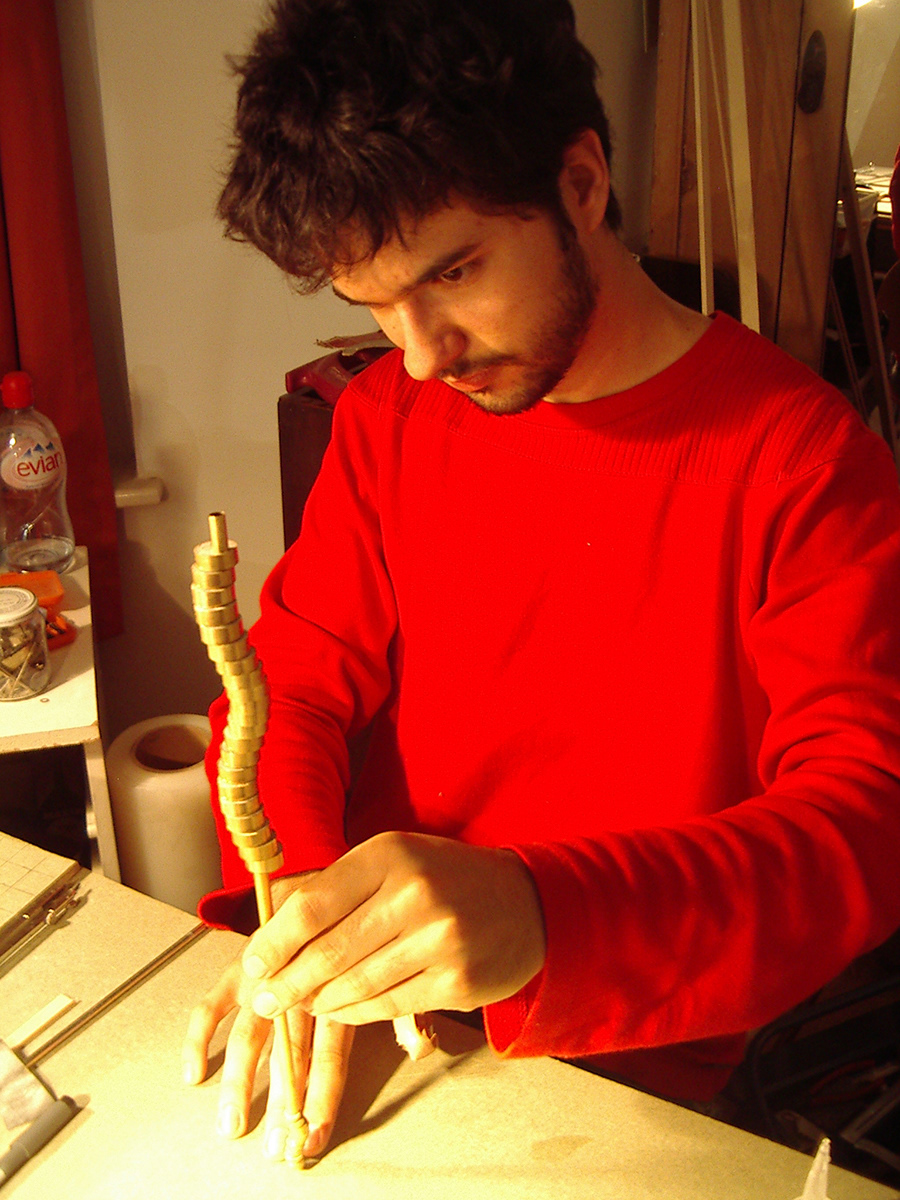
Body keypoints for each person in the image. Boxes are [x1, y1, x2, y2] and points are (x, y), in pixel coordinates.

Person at [181, 0, 900, 1165]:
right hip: (395, 1013)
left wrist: (541, 913)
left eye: (454, 272)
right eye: (375, 306)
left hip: (634, 1058)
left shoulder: (805, 464)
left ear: (581, 183)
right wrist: (305, 905)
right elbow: (291, 690)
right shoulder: (388, 417)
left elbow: (860, 829)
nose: (422, 354)